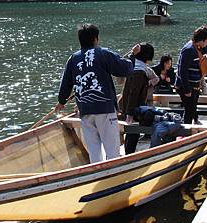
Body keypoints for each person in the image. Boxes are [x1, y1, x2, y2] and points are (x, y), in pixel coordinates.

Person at [56, 24, 139, 162]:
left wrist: (61, 101)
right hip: (104, 109)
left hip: (85, 110)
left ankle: (97, 176)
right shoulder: (103, 53)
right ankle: (113, 177)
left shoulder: (73, 59)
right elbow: (125, 69)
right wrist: (132, 56)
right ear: (96, 38)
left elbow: (66, 83)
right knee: (112, 151)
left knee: (94, 151)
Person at [121, 43, 155, 154]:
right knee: (133, 133)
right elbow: (133, 93)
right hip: (134, 108)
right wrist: (130, 113)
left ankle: (129, 153)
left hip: (129, 106)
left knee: (131, 133)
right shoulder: (139, 72)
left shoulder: (132, 66)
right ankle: (129, 156)